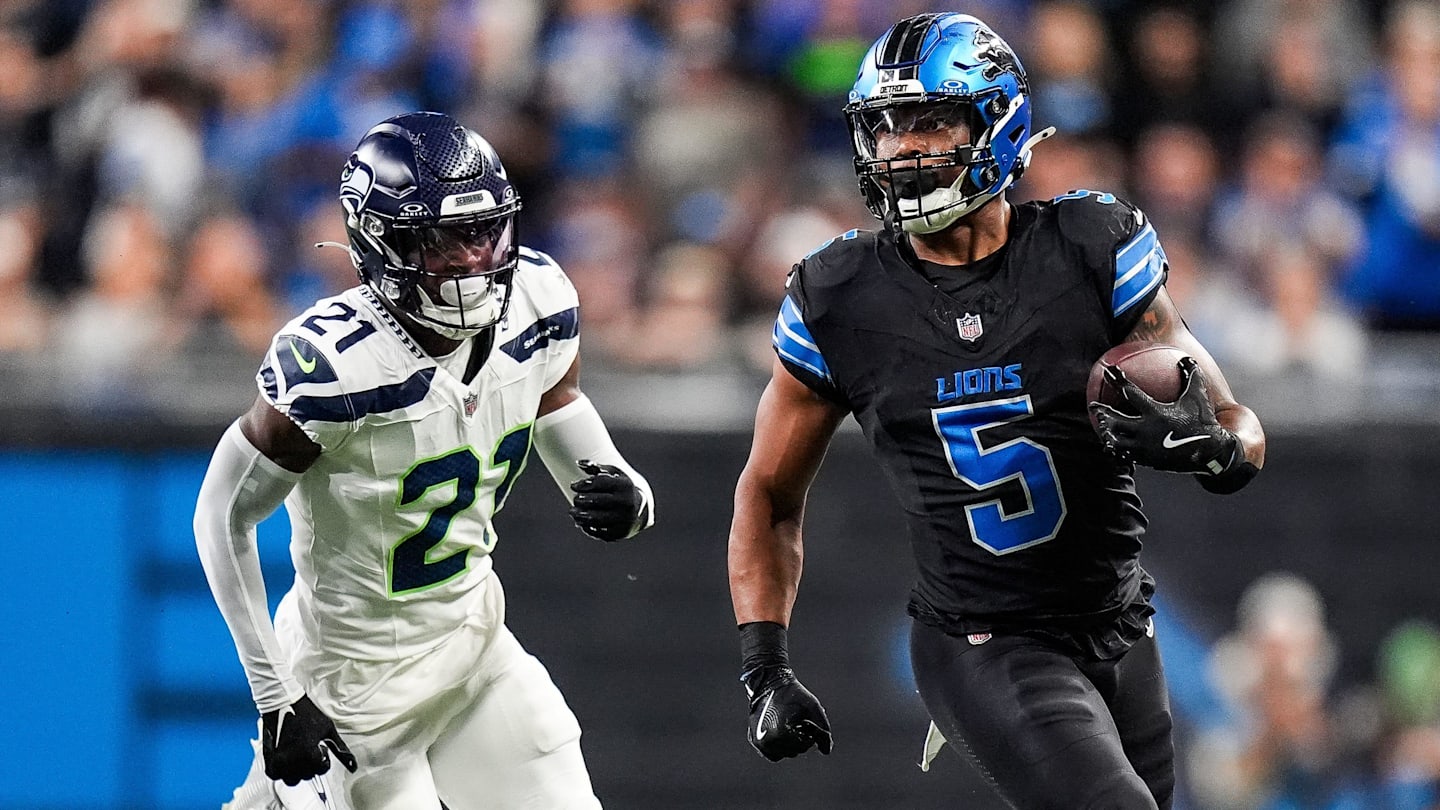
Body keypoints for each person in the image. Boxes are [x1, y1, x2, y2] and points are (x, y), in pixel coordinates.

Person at [727, 14, 1265, 810]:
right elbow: (769, 495)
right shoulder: (839, 295)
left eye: (930, 121)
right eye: (884, 129)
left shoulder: (1088, 245)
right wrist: (765, 666)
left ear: (999, 119)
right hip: (984, 640)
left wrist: (1215, 449)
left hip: (1123, 621)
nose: (902, 150)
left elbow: (1236, 420)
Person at [195, 111, 655, 810]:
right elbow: (222, 514)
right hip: (351, 689)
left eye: (483, 231)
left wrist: (624, 491)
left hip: (473, 647)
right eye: (443, 242)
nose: (473, 259)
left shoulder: (538, 297)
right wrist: (274, 693)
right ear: (381, 243)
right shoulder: (336, 368)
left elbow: (557, 401)